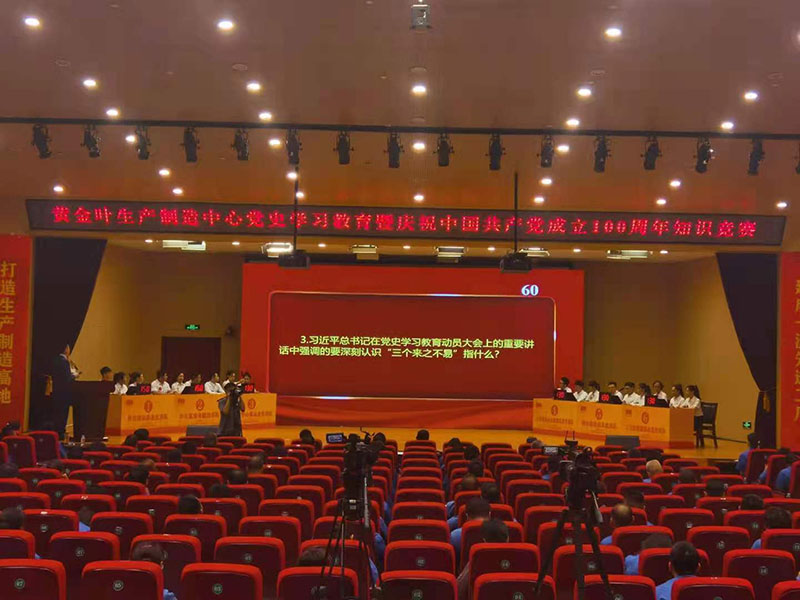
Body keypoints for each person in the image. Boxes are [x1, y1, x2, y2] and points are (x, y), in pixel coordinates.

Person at [457, 519, 509, 600]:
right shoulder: (521, 558)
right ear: (508, 539)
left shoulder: (478, 559)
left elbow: (459, 589)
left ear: (484, 540)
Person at [51, 343, 76, 439]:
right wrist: (74, 376)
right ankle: (61, 432)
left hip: (56, 391)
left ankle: (56, 432)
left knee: (57, 413)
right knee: (63, 413)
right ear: (65, 349)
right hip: (64, 392)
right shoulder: (64, 362)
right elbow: (67, 378)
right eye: (68, 347)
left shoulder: (55, 360)